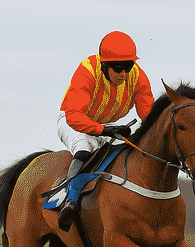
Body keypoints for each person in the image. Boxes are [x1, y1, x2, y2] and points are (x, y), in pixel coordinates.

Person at [53, 31, 154, 231]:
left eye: (128, 67)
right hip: (73, 121)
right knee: (84, 147)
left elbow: (148, 114)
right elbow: (74, 116)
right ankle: (70, 202)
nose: (124, 74)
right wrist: (103, 130)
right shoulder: (87, 71)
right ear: (104, 65)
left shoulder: (137, 76)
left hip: (107, 126)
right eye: (118, 68)